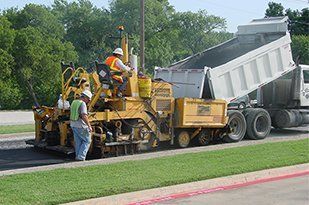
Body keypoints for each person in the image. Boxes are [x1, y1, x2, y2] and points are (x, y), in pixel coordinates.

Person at [70, 90, 93, 161]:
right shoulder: (82, 103)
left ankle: (78, 156)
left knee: (78, 142)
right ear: (85, 97)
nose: (88, 101)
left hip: (73, 125)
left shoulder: (74, 102)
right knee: (87, 141)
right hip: (81, 126)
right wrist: (89, 126)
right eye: (88, 100)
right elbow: (84, 116)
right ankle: (81, 157)